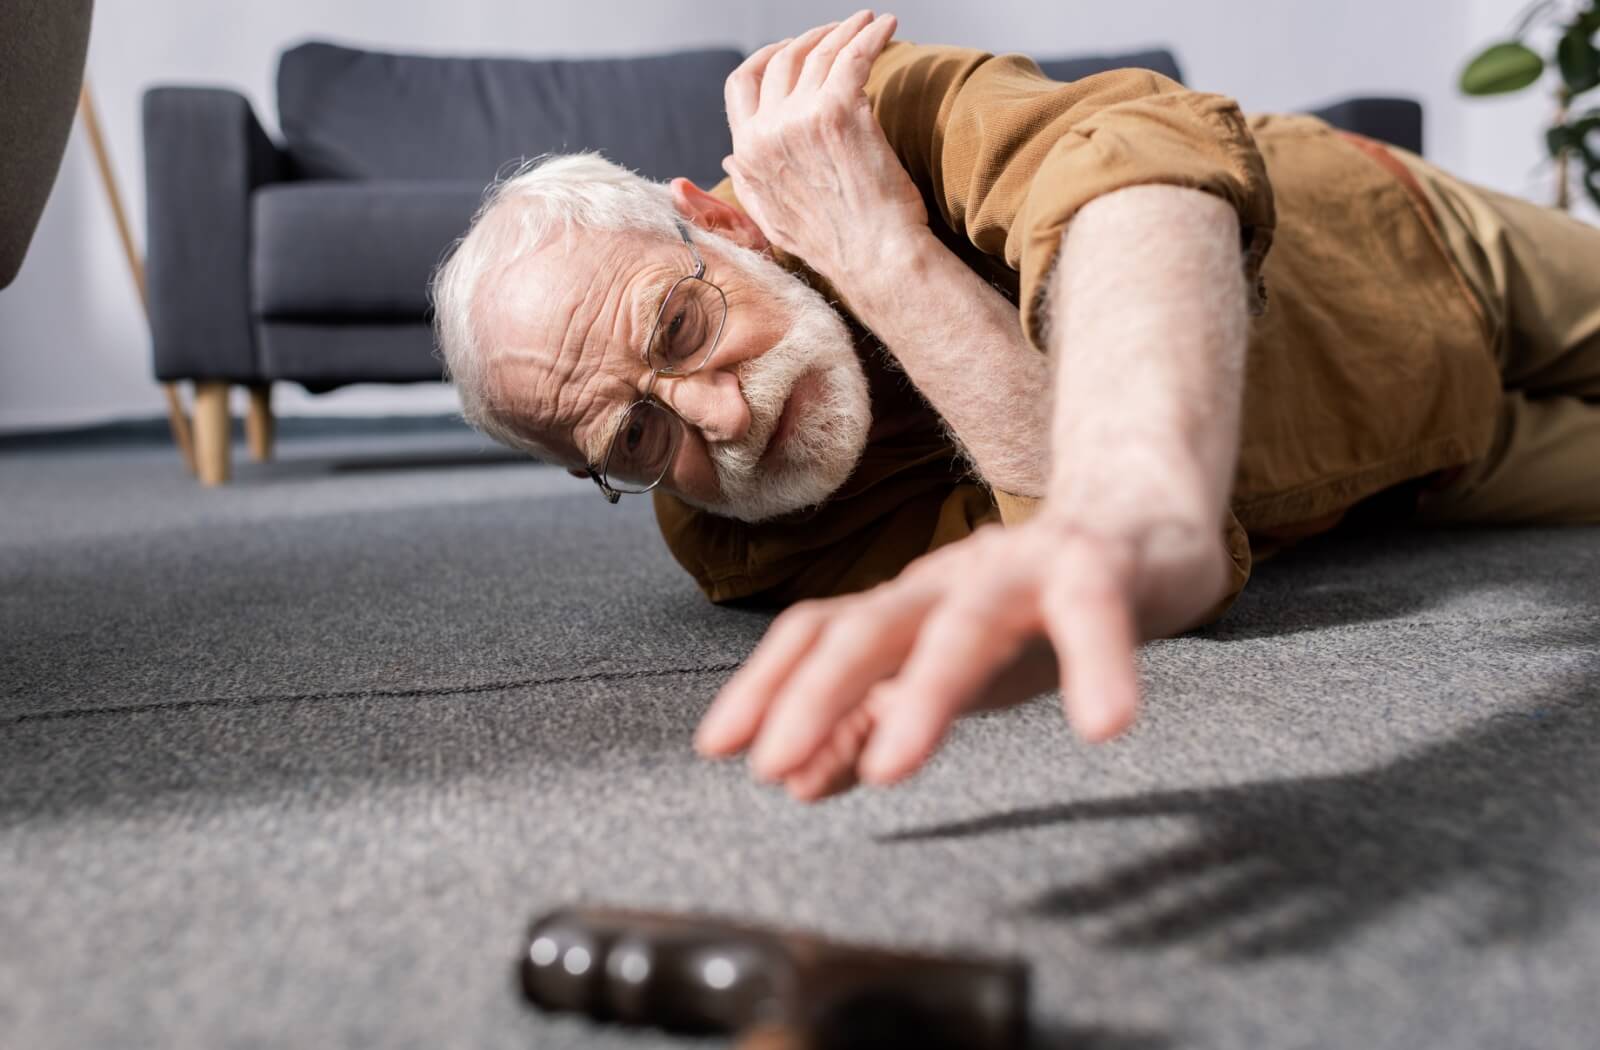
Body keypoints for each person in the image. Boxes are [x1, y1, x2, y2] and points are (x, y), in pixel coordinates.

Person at [431, 12, 1600, 802]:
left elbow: (1130, 164)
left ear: (723, 223)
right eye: (637, 437)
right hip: (1427, 472)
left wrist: (881, 253)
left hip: (1414, 249)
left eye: (677, 327)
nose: (720, 420)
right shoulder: (744, 544)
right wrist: (1098, 530)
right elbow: (1080, 564)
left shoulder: (860, 123)